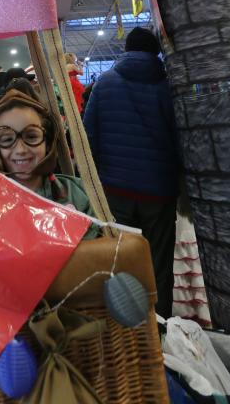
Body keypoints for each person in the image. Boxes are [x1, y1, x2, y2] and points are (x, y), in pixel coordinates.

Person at [0, 89, 99, 283]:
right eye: (7, 139)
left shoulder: (76, 193)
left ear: (47, 140)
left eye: (31, 136)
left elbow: (101, 253)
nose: (20, 150)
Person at [83, 26, 179, 318]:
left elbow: (89, 137)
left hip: (115, 191)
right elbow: (180, 136)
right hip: (158, 193)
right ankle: (159, 327)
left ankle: (122, 327)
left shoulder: (105, 83)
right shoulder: (168, 86)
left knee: (119, 260)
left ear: (126, 50)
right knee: (158, 262)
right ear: (156, 52)